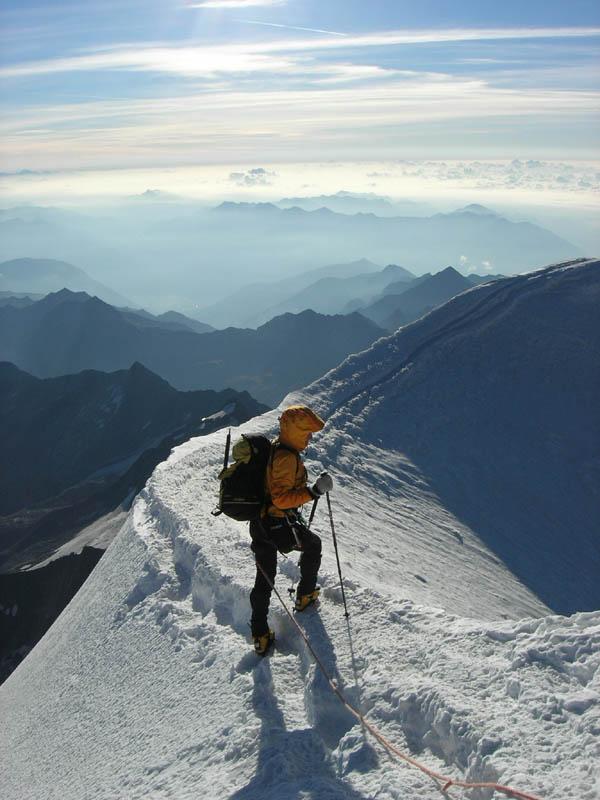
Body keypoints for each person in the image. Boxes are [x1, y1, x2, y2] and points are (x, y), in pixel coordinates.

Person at [249, 405, 334, 655]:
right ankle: (305, 595)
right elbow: (281, 499)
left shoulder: (279, 446)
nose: (309, 437)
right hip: (277, 526)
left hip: (261, 524)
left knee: (265, 578)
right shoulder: (287, 458)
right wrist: (314, 491)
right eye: (306, 432)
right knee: (313, 545)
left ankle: (260, 634)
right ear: (295, 432)